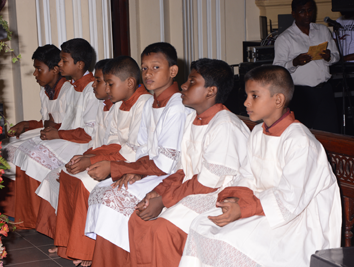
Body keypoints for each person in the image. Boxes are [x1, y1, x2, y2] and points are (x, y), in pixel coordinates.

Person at [179, 65, 342, 267]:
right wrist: (234, 200)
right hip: (264, 207)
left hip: (295, 222)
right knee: (201, 225)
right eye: (247, 95)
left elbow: (290, 198)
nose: (246, 102)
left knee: (231, 241)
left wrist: (245, 209)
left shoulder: (300, 141)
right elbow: (247, 175)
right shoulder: (258, 132)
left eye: (254, 96)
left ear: (278, 100)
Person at [128, 58, 250, 267]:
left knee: (162, 228)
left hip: (217, 197)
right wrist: (158, 192)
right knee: (137, 218)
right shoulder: (193, 118)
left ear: (211, 91)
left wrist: (165, 201)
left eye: (192, 81)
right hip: (191, 189)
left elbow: (207, 183)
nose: (183, 85)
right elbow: (181, 170)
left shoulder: (225, 126)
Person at [84, 42, 190, 267]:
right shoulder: (153, 103)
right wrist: (135, 173)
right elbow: (142, 149)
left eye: (155, 68)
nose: (148, 74)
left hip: (171, 175)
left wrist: (124, 169)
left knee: (113, 198)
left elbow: (165, 163)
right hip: (152, 171)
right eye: (144, 68)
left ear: (172, 71)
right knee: (103, 191)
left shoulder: (177, 106)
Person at [53, 56, 152, 266]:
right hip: (118, 157)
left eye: (110, 84)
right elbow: (113, 142)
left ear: (130, 83)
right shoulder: (119, 105)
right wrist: (88, 157)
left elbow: (132, 150)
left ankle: (85, 250)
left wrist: (93, 161)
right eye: (105, 83)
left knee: (83, 182)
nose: (107, 88)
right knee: (68, 174)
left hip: (132, 163)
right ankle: (67, 243)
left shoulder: (144, 104)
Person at [12, 38, 99, 229]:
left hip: (82, 143)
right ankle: (28, 217)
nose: (60, 65)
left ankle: (37, 218)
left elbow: (89, 133)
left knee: (34, 154)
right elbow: (64, 123)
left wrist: (58, 134)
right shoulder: (73, 87)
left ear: (79, 64)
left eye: (64, 61)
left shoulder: (91, 90)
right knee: (24, 149)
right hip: (69, 137)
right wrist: (54, 130)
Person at [34, 58, 113, 240]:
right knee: (56, 176)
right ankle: (62, 238)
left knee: (77, 181)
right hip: (94, 152)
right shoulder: (103, 105)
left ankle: (80, 244)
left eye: (99, 81)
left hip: (106, 158)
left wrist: (89, 158)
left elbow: (108, 142)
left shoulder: (111, 105)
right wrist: (85, 157)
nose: (94, 85)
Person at [0, 44, 69, 216]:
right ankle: (12, 209)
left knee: (29, 154)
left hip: (64, 137)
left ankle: (30, 214)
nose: (35, 74)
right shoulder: (45, 90)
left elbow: (66, 124)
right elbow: (46, 121)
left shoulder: (69, 90)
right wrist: (26, 124)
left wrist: (49, 127)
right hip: (50, 133)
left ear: (54, 69)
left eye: (39, 69)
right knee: (7, 147)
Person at [273, 0, 339, 133]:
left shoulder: (323, 30)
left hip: (324, 90)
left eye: (310, 10)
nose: (307, 14)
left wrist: (329, 57)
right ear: (293, 13)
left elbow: (336, 56)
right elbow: (277, 70)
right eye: (302, 11)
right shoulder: (285, 38)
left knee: (329, 133)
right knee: (303, 133)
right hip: (302, 93)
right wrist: (294, 62)